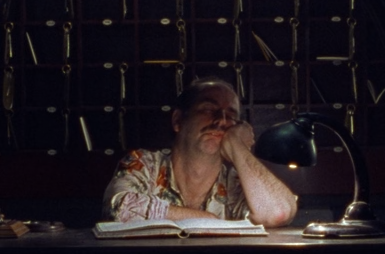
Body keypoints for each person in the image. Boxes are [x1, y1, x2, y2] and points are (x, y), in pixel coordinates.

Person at [101, 78, 297, 227]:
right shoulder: (144, 164)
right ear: (178, 121)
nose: (221, 121)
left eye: (230, 115)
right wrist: (208, 221)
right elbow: (120, 208)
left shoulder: (239, 183)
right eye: (208, 109)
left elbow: (278, 212)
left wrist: (237, 146)